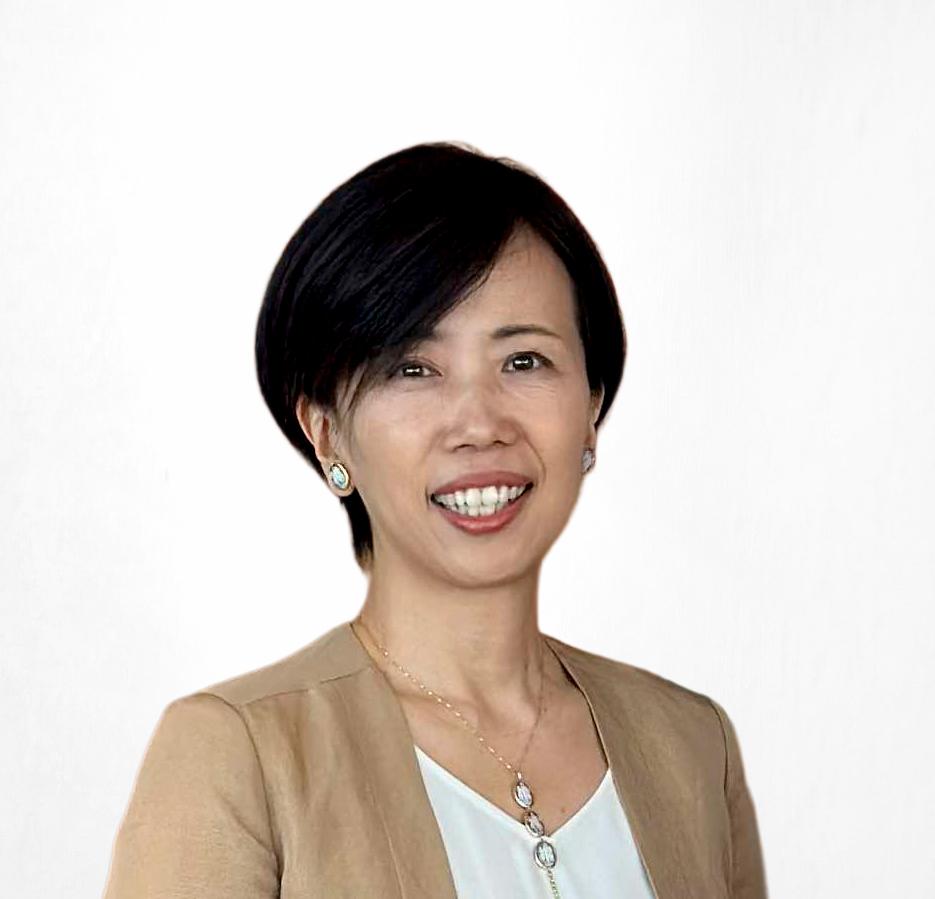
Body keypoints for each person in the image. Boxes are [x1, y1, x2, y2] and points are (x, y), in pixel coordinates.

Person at [102, 141, 768, 898]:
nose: (479, 425)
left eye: (524, 361)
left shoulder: (690, 744)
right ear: (326, 432)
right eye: (412, 369)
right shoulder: (238, 753)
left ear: (590, 408)